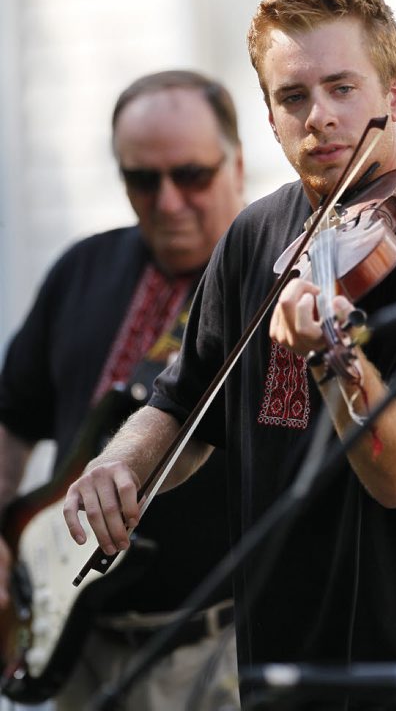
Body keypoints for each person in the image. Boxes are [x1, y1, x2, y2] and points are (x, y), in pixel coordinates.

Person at [63, 0, 396, 711]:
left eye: (341, 88)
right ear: (269, 116)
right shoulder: (254, 237)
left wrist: (333, 355)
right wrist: (119, 464)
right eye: (293, 97)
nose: (319, 117)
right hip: (278, 666)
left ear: (394, 95)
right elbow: (182, 408)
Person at [0, 70, 245, 710]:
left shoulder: (267, 286)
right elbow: (10, 424)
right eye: (142, 179)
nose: (167, 201)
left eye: (191, 175)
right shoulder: (82, 268)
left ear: (237, 164)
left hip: (209, 651)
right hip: (74, 643)